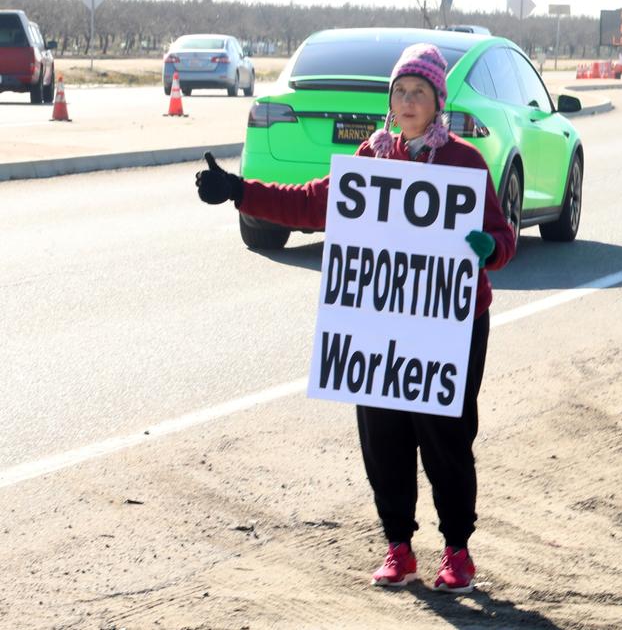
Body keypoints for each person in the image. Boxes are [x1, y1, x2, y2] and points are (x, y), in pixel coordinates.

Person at [194, 43, 517, 591]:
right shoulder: (372, 156)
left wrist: (488, 248)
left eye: (420, 92)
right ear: (390, 100)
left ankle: (457, 550)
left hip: (451, 323)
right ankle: (398, 545)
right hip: (379, 319)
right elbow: (311, 203)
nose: (409, 100)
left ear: (438, 101)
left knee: (446, 435)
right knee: (382, 432)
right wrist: (239, 191)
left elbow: (503, 239)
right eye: (401, 91)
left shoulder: (464, 160)